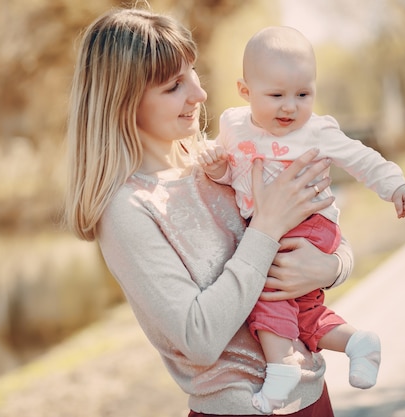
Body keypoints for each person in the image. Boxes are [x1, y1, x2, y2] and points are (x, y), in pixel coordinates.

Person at [64, 7, 357, 416]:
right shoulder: (127, 209)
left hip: (313, 399)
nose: (199, 95)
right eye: (173, 86)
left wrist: (332, 268)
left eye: (192, 74)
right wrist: (266, 229)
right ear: (124, 103)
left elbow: (325, 229)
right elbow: (199, 338)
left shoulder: (223, 159)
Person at [198, 26, 405, 414]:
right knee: (302, 310)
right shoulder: (233, 126)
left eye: (303, 94)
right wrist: (217, 171)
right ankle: (357, 342)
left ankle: (281, 368)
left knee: (267, 286)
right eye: (276, 95)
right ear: (245, 91)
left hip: (309, 222)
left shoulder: (317, 130)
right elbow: (235, 176)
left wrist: (394, 184)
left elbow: (362, 158)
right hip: (271, 223)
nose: (290, 107)